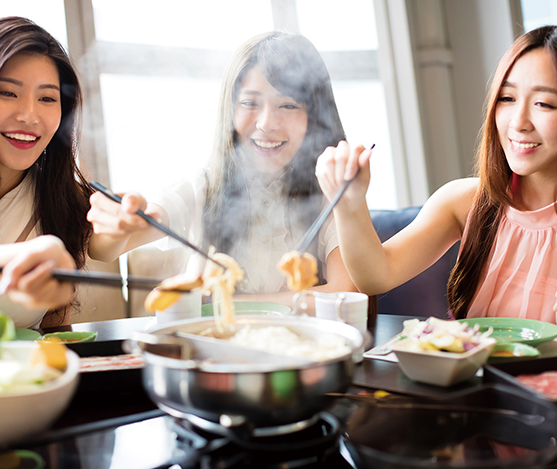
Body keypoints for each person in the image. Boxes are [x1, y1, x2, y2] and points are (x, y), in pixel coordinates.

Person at [315, 25, 557, 339]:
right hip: (470, 385)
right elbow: (377, 276)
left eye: (544, 104)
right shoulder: (466, 201)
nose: (518, 122)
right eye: (507, 98)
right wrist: (350, 203)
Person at [88, 31, 357, 305]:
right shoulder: (202, 188)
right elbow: (103, 250)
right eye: (250, 103)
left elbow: (345, 290)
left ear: (315, 115)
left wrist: (232, 304)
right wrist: (116, 227)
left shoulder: (331, 193)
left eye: (288, 105)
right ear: (229, 109)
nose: (266, 123)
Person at [0, 17, 94, 328]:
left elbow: (53, 338)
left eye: (47, 99)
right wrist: (28, 258)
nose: (29, 116)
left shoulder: (65, 202)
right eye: (7, 93)